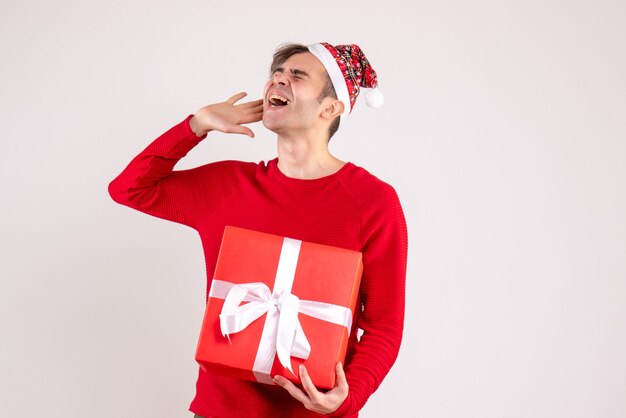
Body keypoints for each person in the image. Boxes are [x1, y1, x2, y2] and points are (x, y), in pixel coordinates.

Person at [108, 42, 408, 418]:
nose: (278, 79)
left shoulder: (371, 201)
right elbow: (129, 189)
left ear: (331, 108)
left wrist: (349, 399)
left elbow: (384, 326)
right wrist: (195, 126)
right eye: (276, 74)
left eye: (297, 75)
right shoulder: (228, 187)